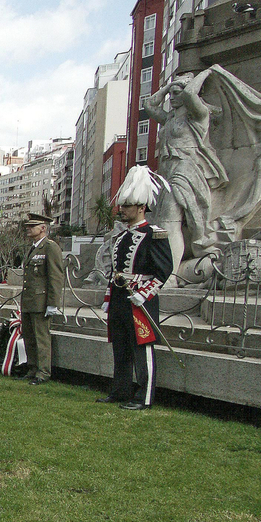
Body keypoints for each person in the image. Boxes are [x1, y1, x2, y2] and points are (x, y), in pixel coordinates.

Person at [101, 165, 175, 410]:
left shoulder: (155, 234)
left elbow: (163, 270)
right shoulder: (121, 237)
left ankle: (144, 397)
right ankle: (120, 391)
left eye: (127, 206)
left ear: (141, 207)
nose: (122, 210)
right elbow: (116, 271)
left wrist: (145, 294)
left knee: (143, 349)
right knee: (121, 347)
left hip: (140, 301)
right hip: (121, 300)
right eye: (122, 206)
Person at [18, 209, 66, 385]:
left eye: (32, 226)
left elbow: (55, 276)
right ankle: (32, 368)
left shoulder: (50, 247)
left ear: (43, 228)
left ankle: (43, 372)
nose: (28, 229)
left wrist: (53, 303)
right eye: (28, 226)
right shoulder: (33, 248)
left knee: (41, 338)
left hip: (41, 301)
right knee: (29, 337)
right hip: (29, 301)